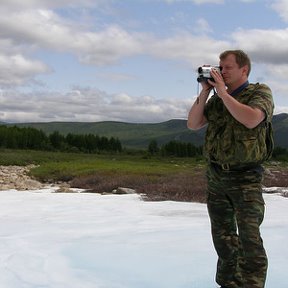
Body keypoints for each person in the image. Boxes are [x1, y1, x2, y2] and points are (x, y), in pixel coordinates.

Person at [187, 50, 274, 288]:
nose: (221, 71)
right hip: (217, 177)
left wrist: (223, 93)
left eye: (227, 68)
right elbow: (193, 124)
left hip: (245, 178)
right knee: (223, 240)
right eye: (219, 67)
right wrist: (206, 92)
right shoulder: (215, 100)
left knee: (249, 240)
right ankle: (228, 283)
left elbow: (252, 119)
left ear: (243, 69)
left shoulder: (259, 92)